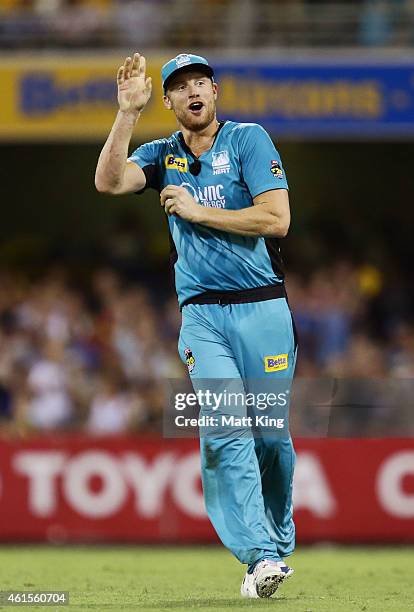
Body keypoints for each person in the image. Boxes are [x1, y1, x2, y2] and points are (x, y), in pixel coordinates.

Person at [95, 52, 297, 599]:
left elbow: (276, 219)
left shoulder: (249, 140)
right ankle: (259, 557)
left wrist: (197, 211)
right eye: (179, 87)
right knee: (226, 428)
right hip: (202, 314)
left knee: (272, 439)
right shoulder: (162, 154)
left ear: (216, 90)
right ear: (168, 101)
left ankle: (277, 543)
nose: (192, 91)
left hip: (264, 308)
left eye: (200, 81)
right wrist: (126, 114)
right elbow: (109, 182)